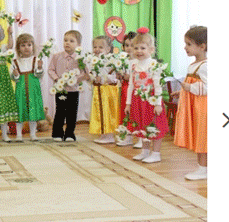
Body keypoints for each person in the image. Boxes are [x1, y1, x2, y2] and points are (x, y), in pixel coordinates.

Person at [125, 28, 169, 163]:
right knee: (142, 125)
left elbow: (158, 85)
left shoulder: (154, 65)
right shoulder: (134, 65)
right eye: (136, 48)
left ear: (151, 49)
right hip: (138, 100)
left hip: (151, 101)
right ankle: (144, 151)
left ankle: (156, 153)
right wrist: (128, 103)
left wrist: (158, 104)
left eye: (142, 48)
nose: (139, 51)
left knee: (154, 126)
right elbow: (131, 85)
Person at [174, 26, 208, 179]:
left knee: (202, 137)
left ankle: (203, 169)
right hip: (195, 106)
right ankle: (202, 168)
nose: (185, 47)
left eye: (189, 44)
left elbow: (209, 87)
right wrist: (183, 92)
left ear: (202, 46)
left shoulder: (205, 66)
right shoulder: (194, 65)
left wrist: (191, 87)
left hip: (203, 108)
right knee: (198, 136)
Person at [48, 30, 86, 141]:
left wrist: (75, 80)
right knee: (60, 111)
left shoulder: (80, 59)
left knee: (72, 112)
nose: (67, 43)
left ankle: (70, 133)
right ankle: (57, 133)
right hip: (61, 89)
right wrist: (57, 79)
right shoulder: (56, 56)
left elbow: (84, 73)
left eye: (71, 41)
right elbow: (51, 70)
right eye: (65, 40)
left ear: (78, 45)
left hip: (73, 89)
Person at [11, 33, 45, 141]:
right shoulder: (15, 62)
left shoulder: (36, 60)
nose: (26, 47)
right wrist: (16, 75)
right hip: (20, 91)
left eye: (29, 45)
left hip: (33, 90)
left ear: (33, 47)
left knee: (33, 111)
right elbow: (14, 79)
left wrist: (39, 67)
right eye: (23, 45)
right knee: (20, 111)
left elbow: (39, 75)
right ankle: (19, 135)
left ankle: (33, 134)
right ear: (18, 48)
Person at [87, 35, 120, 144]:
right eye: (95, 47)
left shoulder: (111, 61)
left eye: (100, 47)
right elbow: (92, 75)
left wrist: (102, 78)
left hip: (108, 91)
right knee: (99, 112)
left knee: (107, 112)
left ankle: (109, 134)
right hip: (99, 91)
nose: (97, 49)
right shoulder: (94, 61)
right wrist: (92, 78)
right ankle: (103, 133)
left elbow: (114, 77)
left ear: (108, 49)